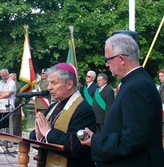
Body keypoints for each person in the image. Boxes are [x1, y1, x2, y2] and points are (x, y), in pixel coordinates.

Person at [79, 33, 163, 166]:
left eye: (108, 59)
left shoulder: (135, 87)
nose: (106, 64)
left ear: (121, 59)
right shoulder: (137, 81)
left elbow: (133, 139)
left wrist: (96, 141)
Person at [29, 63, 96, 167]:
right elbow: (34, 135)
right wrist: (39, 136)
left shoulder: (83, 110)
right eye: (48, 83)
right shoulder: (53, 107)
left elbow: (77, 146)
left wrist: (48, 133)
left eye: (54, 83)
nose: (49, 87)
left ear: (69, 84)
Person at [9, 72, 22, 137]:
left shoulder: (18, 86)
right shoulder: (9, 85)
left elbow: (18, 98)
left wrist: (11, 103)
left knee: (16, 125)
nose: (8, 78)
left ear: (14, 77)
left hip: (15, 108)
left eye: (10, 76)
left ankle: (16, 138)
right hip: (8, 108)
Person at [157, 69, 164, 148]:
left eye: (162, 76)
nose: (160, 78)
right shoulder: (159, 87)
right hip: (160, 113)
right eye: (159, 76)